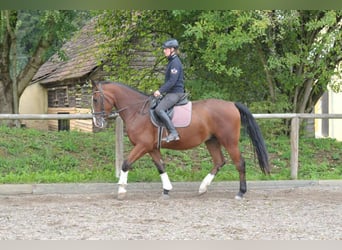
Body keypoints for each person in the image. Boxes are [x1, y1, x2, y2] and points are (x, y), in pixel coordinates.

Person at [154, 38, 185, 142]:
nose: (164, 51)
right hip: (172, 92)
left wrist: (160, 91)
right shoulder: (172, 61)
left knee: (159, 109)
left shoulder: (175, 62)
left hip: (176, 93)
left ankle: (173, 133)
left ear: (172, 49)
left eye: (166, 49)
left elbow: (172, 81)